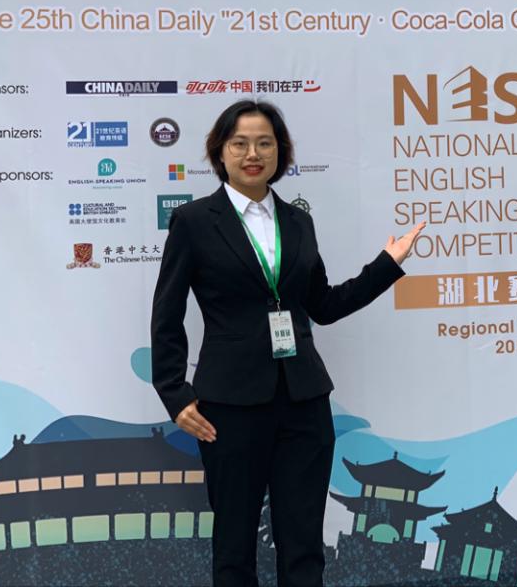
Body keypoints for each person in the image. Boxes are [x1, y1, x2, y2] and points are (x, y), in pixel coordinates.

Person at [150, 100, 423, 587]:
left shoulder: (298, 221)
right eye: (240, 143)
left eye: (264, 143)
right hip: (229, 405)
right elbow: (166, 313)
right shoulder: (193, 221)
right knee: (234, 546)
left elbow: (323, 305)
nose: (252, 153)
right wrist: (173, 391)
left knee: (303, 545)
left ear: (280, 151)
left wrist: (387, 264)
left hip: (303, 403)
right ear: (220, 152)